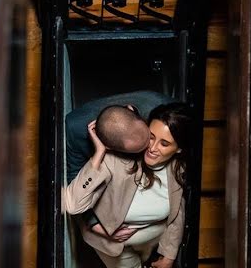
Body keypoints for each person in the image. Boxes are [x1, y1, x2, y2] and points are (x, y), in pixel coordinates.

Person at [63, 102, 192, 268]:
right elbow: (72, 204)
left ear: (179, 149)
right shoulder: (115, 160)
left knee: (147, 258)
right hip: (115, 245)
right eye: (151, 136)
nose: (153, 148)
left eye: (164, 143)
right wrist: (99, 154)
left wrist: (169, 256)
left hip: (153, 235)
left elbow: (177, 212)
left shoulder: (179, 168)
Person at [65, 90, 172, 232]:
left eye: (149, 136)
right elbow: (75, 179)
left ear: (131, 109)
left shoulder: (160, 109)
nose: (151, 148)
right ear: (110, 149)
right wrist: (92, 222)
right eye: (141, 149)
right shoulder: (75, 130)